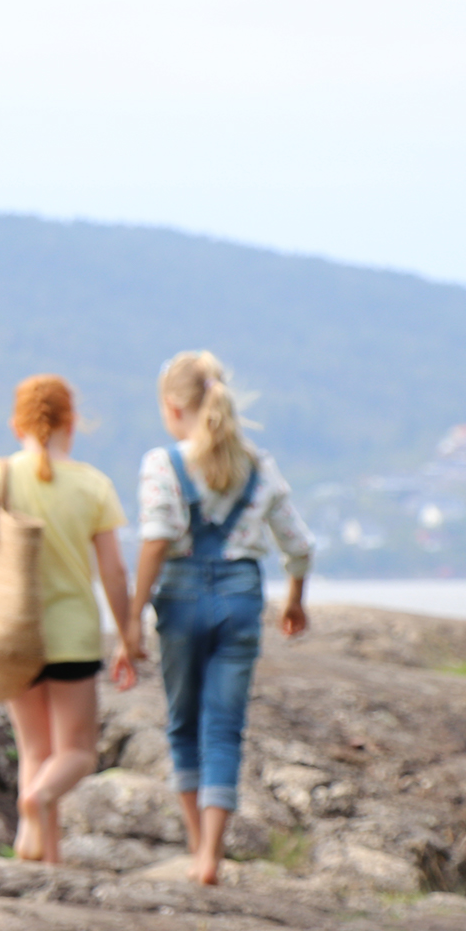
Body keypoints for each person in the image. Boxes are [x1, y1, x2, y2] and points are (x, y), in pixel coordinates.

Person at [113, 351, 314, 885]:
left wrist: (132, 617)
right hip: (241, 597)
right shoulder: (258, 465)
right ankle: (212, 857)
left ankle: (195, 843)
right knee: (224, 728)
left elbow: (156, 539)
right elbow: (298, 543)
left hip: (179, 597)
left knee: (183, 724)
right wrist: (295, 599)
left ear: (173, 406)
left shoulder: (163, 464)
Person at [0, 375, 136, 864]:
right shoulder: (93, 485)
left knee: (35, 751)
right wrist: (127, 631)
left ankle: (38, 859)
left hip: (16, 634)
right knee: (76, 753)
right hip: (72, 634)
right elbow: (114, 572)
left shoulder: (0, 474)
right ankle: (38, 804)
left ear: (17, 424)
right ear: (72, 422)